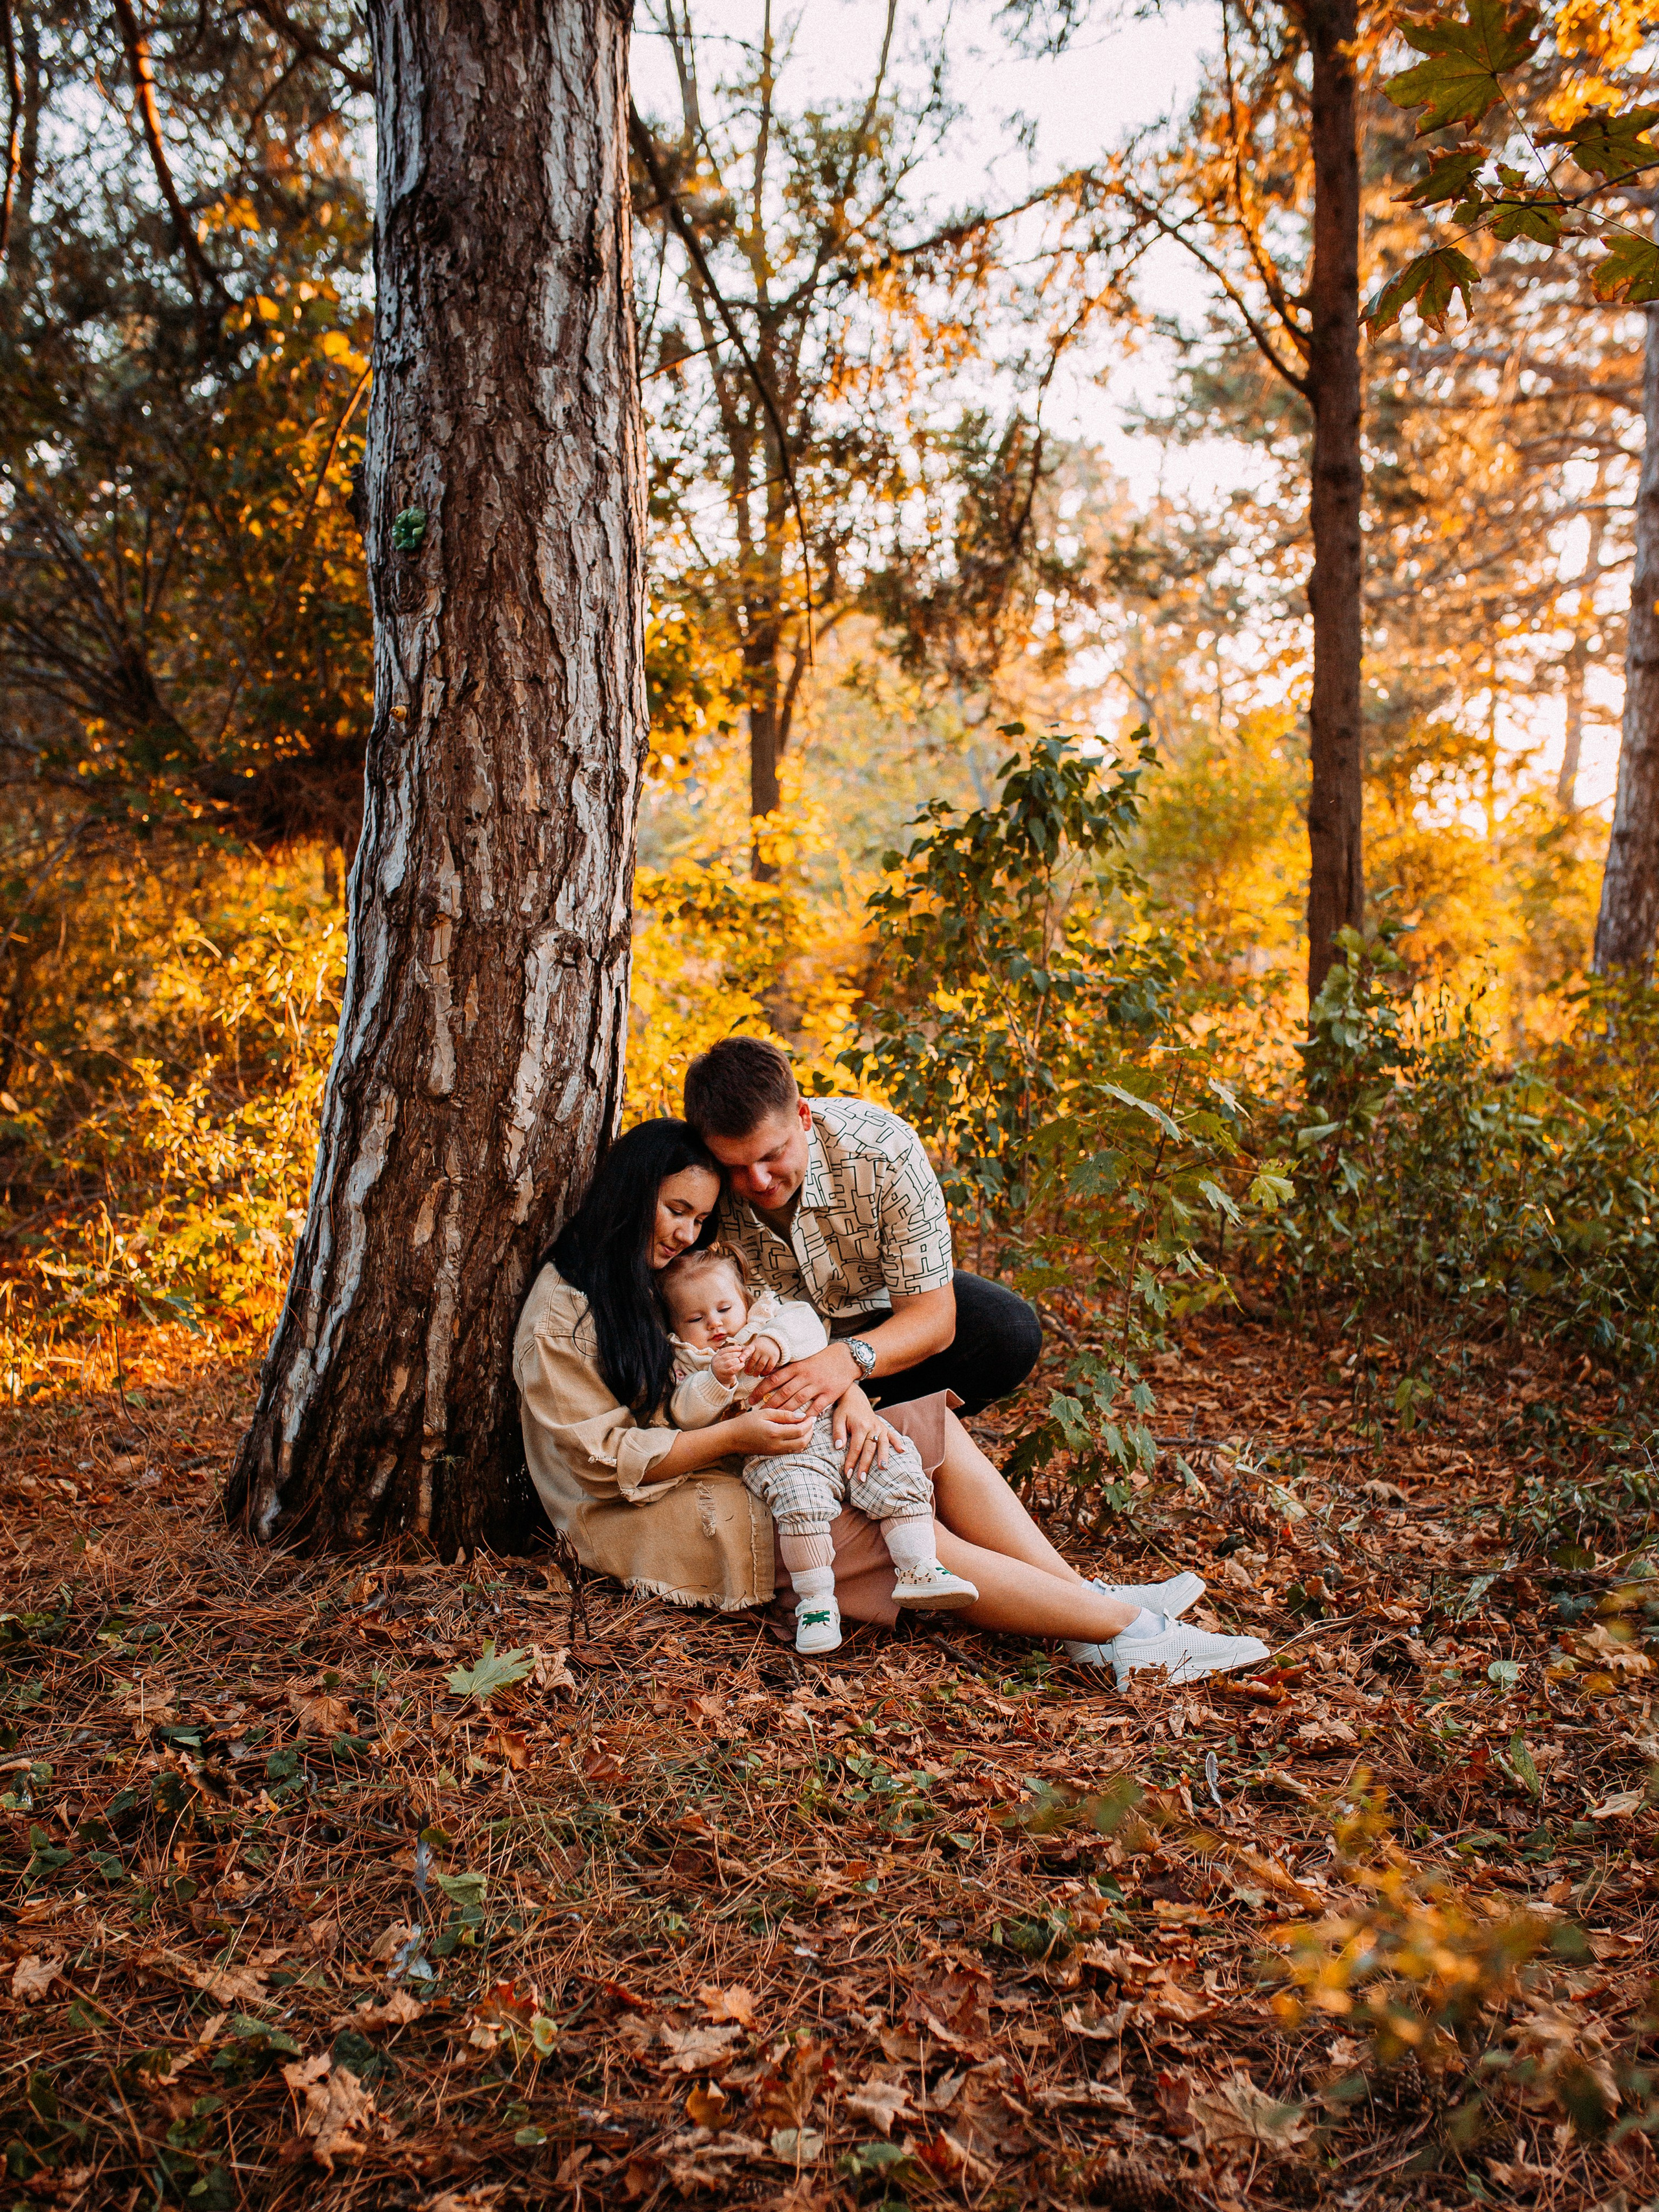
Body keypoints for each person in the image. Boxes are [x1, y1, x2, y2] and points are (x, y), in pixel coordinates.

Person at [512, 1117, 1270, 1687]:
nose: (685, 1232)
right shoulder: (563, 1315)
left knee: (921, 1433)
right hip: (667, 1506)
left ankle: (1076, 1607)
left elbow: (751, 1350)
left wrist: (846, 1391)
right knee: (900, 1529)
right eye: (675, 1208)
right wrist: (740, 1431)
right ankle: (1135, 1631)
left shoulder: (647, 1276)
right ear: (629, 1193)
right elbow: (606, 1464)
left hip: (741, 1450)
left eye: (698, 1219)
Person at [682, 1035, 1041, 1421]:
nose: (759, 1181)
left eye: (772, 1155)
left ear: (802, 1116)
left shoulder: (884, 1150)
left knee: (1009, 1330)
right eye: (735, 1166)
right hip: (763, 1353)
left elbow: (933, 1318)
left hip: (879, 1319)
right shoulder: (695, 1171)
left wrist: (844, 1362)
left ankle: (887, 1434)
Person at [660, 1240, 978, 1655]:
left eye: (724, 1309)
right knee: (800, 1509)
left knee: (893, 1467)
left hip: (836, 1426)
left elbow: (809, 1327)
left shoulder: (771, 1319)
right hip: (777, 1454)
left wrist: (775, 1343)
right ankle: (815, 1604)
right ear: (676, 1326)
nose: (716, 1325)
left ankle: (919, 1567)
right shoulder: (689, 1362)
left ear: (745, 1300)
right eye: (695, 1318)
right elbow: (684, 1414)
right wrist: (714, 1382)